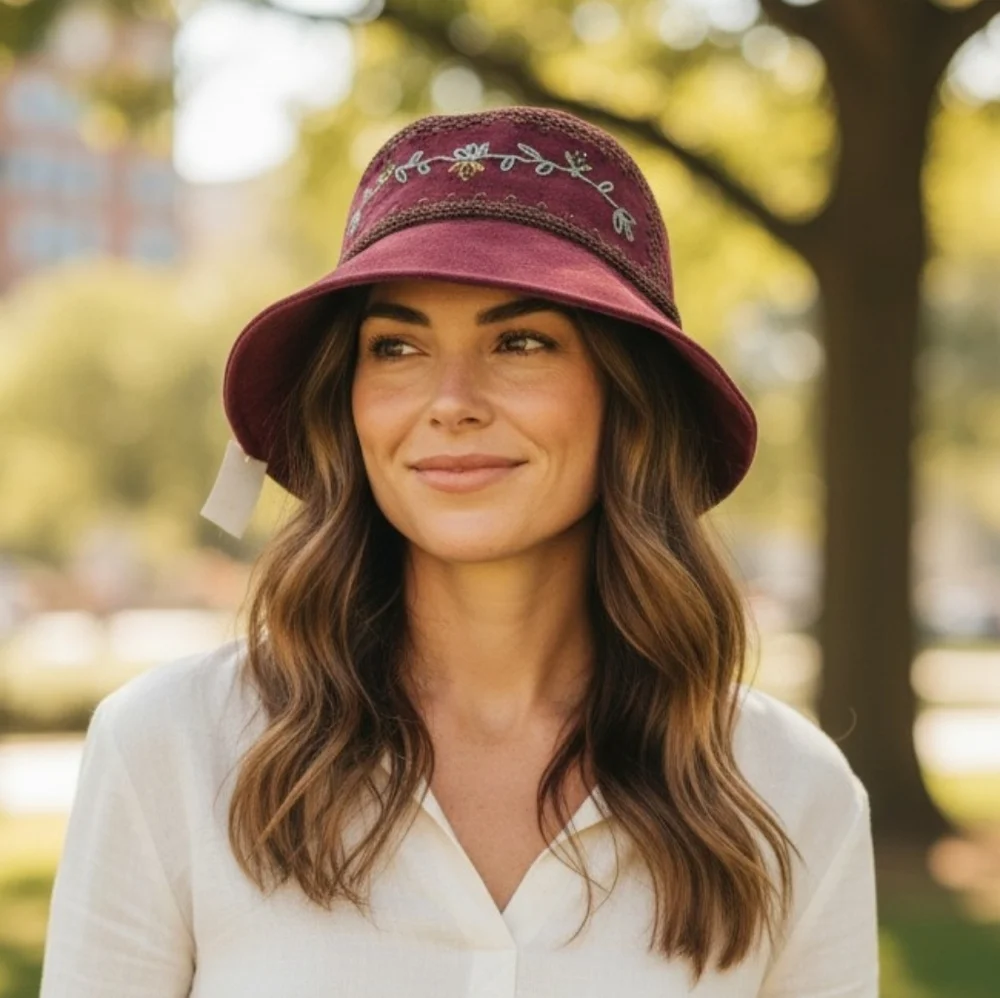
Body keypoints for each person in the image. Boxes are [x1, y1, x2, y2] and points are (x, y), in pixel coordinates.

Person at [39, 105, 879, 997]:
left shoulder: (788, 792)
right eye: (396, 346)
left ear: (626, 401)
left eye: (521, 341)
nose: (450, 401)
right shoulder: (168, 751)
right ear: (349, 402)